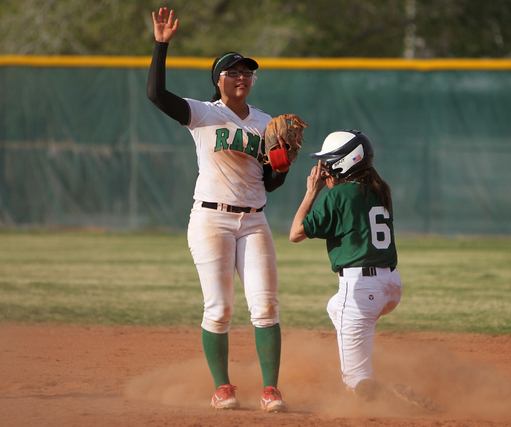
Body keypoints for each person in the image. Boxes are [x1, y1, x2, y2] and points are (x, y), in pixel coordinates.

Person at [147, 7, 289, 412]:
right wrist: (161, 45)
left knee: (265, 304)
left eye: (248, 72)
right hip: (210, 219)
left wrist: (282, 167)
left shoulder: (266, 123)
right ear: (218, 80)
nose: (242, 77)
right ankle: (222, 386)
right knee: (220, 307)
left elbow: (269, 183)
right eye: (233, 72)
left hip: (254, 219)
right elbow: (156, 96)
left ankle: (271, 389)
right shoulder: (204, 113)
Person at [289, 129, 403, 400]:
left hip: (362, 288)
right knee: (335, 307)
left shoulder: (337, 196)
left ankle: (393, 403)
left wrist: (311, 192)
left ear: (346, 161)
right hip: (391, 285)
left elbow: (295, 233)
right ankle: (365, 362)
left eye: (328, 162)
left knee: (355, 381)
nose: (324, 169)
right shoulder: (379, 189)